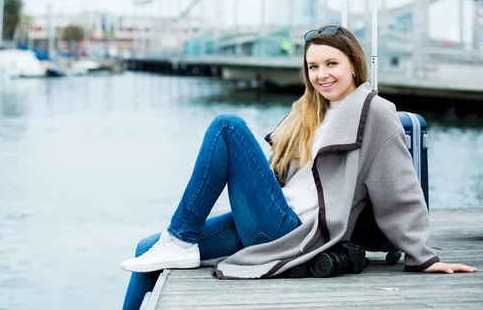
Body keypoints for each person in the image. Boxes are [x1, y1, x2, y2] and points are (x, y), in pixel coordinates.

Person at [119, 25, 477, 309]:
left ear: (354, 63)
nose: (322, 74)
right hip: (269, 218)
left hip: (296, 231)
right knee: (145, 248)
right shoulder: (308, 110)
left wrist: (422, 257)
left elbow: (399, 189)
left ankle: (180, 237)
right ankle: (174, 241)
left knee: (227, 127)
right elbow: (277, 178)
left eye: (331, 64)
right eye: (313, 66)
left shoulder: (374, 112)